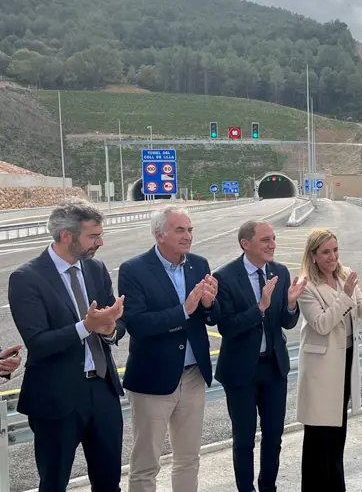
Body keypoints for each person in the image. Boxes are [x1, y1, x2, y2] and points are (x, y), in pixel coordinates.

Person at [7, 198, 126, 491]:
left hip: (102, 390)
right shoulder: (27, 278)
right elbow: (39, 342)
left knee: (109, 480)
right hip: (56, 396)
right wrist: (87, 326)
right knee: (54, 481)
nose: (99, 242)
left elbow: (116, 322)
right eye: (93, 236)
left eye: (100, 235)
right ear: (65, 236)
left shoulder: (95, 269)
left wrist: (110, 329)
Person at [119, 205, 221, 492]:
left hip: (192, 376)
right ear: (159, 234)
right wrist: (184, 311)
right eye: (180, 230)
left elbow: (213, 317)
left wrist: (209, 304)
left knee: (189, 458)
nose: (187, 236)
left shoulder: (199, 264)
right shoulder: (134, 269)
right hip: (153, 378)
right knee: (146, 463)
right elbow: (136, 324)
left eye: (189, 230)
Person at [213, 220, 306, 492]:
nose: (273, 245)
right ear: (246, 244)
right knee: (243, 439)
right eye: (265, 240)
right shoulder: (225, 276)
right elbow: (226, 327)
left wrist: (290, 304)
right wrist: (260, 307)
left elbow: (286, 323)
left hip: (273, 368)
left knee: (274, 437)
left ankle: (268, 487)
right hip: (241, 371)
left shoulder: (280, 272)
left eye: (274, 239)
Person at [295, 229, 362, 491]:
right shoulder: (306, 286)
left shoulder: (344, 275)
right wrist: (346, 295)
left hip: (344, 362)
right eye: (325, 252)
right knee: (317, 439)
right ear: (312, 256)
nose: (332, 256)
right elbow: (321, 324)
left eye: (335, 250)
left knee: (337, 435)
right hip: (320, 370)